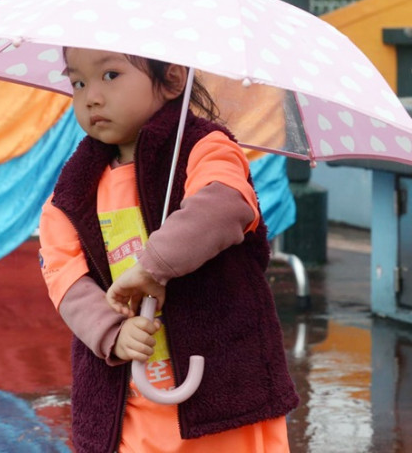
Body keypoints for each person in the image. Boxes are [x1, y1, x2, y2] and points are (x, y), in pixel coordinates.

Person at [38, 47, 299, 453]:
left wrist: (153, 265)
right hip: (129, 405)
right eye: (78, 82)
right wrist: (113, 332)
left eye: (110, 75)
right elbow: (63, 273)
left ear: (173, 79)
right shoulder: (73, 191)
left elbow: (227, 201)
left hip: (221, 388)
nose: (91, 97)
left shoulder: (206, 148)